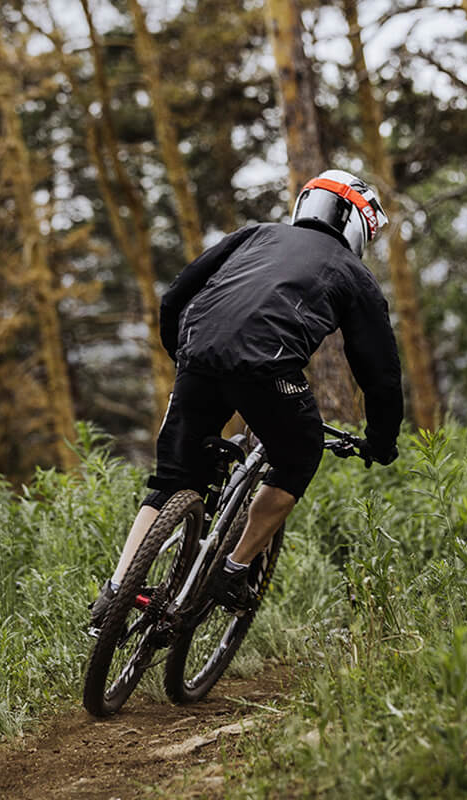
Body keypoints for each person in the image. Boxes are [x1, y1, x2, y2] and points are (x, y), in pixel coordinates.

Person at [91, 169, 404, 626]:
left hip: (196, 354)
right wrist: (381, 440)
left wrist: (184, 358)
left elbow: (175, 298)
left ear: (306, 204)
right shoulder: (354, 274)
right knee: (300, 455)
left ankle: (115, 593)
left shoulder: (255, 234)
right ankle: (232, 571)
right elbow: (380, 376)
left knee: (171, 481)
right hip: (269, 371)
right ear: (358, 228)